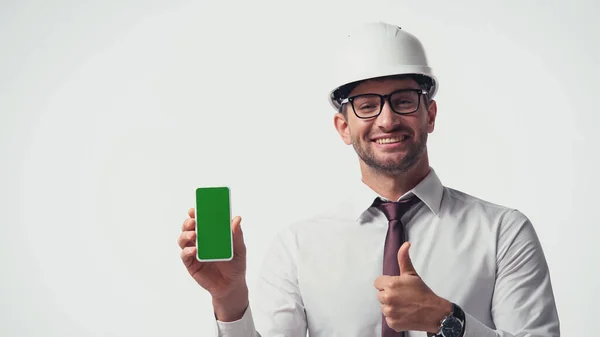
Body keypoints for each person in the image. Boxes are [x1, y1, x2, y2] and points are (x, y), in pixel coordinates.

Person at [177, 21, 560, 337]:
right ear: (344, 127)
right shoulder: (297, 247)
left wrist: (447, 321)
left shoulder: (503, 233)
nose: (388, 119)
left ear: (431, 114)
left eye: (405, 100)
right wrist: (229, 302)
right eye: (367, 105)